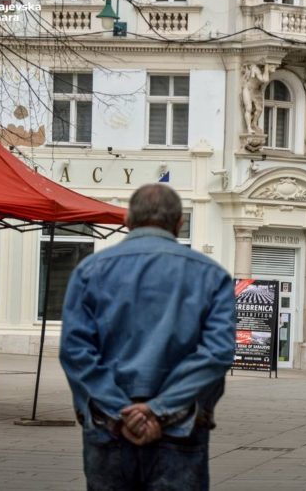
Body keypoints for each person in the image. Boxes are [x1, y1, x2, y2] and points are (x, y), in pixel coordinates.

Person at [59, 184, 236, 490]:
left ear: (128, 219)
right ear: (180, 223)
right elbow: (217, 352)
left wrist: (119, 412)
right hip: (180, 428)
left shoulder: (90, 270)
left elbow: (75, 350)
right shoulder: (211, 275)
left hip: (108, 428)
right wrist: (158, 409)